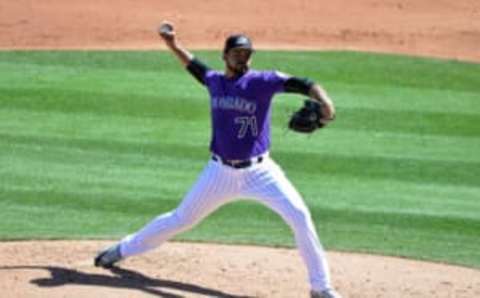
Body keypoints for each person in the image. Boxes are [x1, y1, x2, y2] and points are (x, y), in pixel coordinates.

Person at [94, 22, 341, 298]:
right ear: (225, 56)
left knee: (300, 217)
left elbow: (304, 84)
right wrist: (173, 45)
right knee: (180, 219)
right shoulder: (215, 82)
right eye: (236, 53)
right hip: (219, 173)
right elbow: (195, 67)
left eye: (247, 53)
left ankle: (321, 287)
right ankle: (122, 249)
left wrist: (327, 103)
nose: (242, 57)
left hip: (262, 172)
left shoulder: (262, 81)